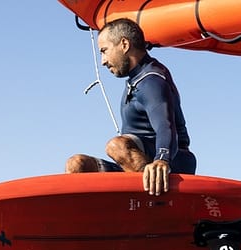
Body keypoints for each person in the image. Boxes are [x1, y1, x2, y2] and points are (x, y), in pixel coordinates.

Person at [66, 18, 196, 196]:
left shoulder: (152, 80)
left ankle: (154, 200)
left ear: (124, 45)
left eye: (104, 51)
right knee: (76, 164)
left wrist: (162, 159)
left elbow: (165, 125)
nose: (103, 61)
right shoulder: (137, 78)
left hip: (172, 162)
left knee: (116, 146)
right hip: (140, 163)